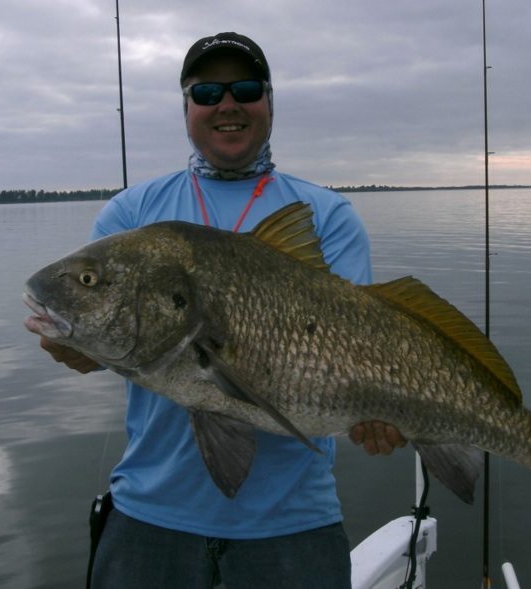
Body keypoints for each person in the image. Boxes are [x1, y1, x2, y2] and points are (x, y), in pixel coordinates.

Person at [30, 32, 405, 588]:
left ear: (269, 101)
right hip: (149, 517)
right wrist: (82, 348)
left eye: (246, 88)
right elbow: (123, 344)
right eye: (206, 91)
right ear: (187, 107)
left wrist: (383, 412)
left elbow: (361, 351)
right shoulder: (131, 214)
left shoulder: (327, 215)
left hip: (294, 522)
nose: (227, 104)